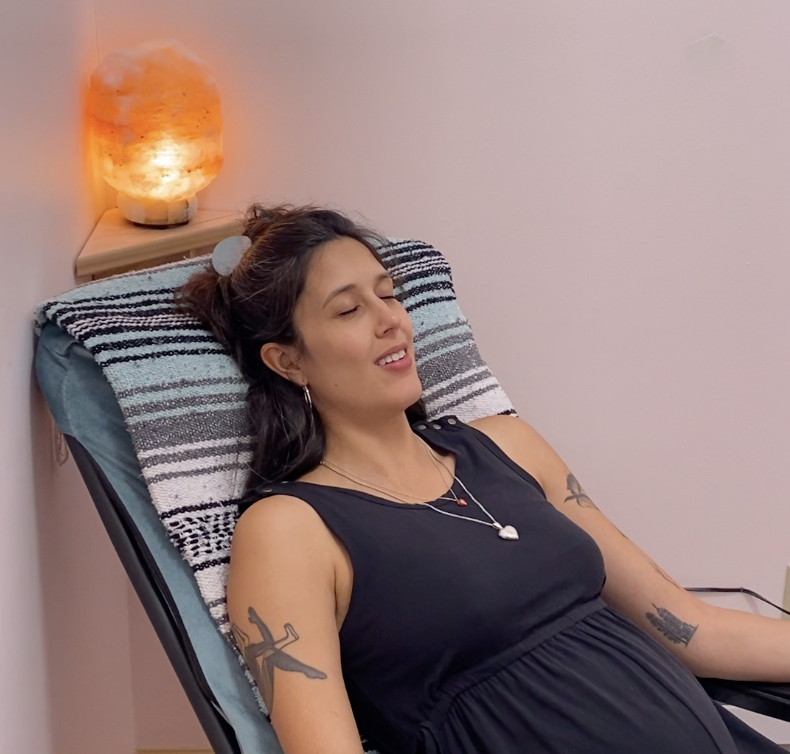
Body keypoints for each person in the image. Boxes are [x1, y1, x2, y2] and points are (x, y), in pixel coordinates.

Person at [177, 204, 789, 754]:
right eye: (349, 309)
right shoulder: (290, 529)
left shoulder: (505, 445)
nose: (392, 320)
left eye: (389, 295)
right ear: (288, 360)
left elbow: (688, 628)